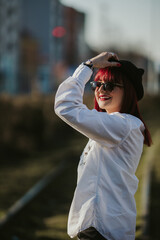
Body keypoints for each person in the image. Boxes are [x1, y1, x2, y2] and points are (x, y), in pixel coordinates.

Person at [54, 52, 152, 240]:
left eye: (109, 85)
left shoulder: (123, 125)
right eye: (96, 85)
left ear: (129, 91)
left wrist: (88, 66)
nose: (100, 90)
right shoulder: (116, 126)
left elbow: (66, 106)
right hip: (103, 224)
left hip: (103, 226)